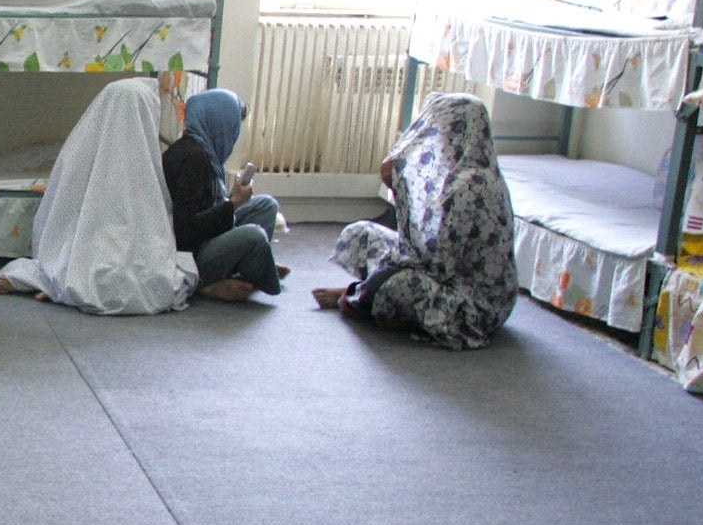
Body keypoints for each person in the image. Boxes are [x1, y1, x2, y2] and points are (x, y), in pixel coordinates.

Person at [313, 91, 517, 350]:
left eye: (441, 130)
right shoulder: (453, 170)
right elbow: (420, 234)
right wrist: (396, 185)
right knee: (361, 234)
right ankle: (370, 295)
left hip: (473, 306)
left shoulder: (471, 186)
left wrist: (392, 267)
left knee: (395, 284)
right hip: (436, 267)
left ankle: (356, 297)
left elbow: (439, 263)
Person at [0, 77, 196, 315]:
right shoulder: (142, 159)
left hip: (85, 247)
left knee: (81, 262)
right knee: (152, 271)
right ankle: (65, 284)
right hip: (125, 253)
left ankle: (57, 284)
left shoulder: (81, 149)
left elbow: (61, 209)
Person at [161, 87, 285, 302]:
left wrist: (229, 201)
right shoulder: (194, 160)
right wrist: (233, 204)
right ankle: (206, 282)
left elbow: (204, 206)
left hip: (204, 238)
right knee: (253, 236)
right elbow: (184, 233)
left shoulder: (200, 149)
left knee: (266, 206)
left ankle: (247, 267)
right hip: (189, 256)